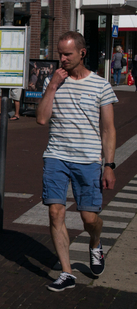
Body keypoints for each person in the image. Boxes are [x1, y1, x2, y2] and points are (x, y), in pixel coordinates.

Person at [37, 31, 117, 292]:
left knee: (89, 218)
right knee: (55, 211)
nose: (62, 59)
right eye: (60, 53)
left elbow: (108, 129)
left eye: (67, 54)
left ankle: (95, 244)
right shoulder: (53, 81)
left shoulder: (101, 85)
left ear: (82, 53)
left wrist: (109, 165)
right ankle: (67, 272)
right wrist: (51, 87)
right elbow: (41, 119)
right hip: (56, 156)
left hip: (88, 159)